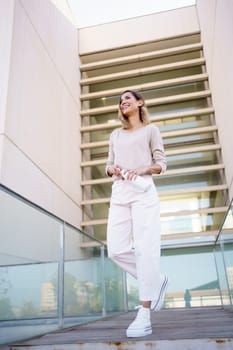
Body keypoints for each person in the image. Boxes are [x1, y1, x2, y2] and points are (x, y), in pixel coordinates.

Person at [105, 90, 169, 338]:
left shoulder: (151, 130)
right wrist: (113, 169)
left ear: (140, 102)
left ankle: (145, 313)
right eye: (120, 101)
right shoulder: (115, 135)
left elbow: (161, 163)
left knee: (145, 249)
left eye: (128, 98)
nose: (123, 102)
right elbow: (108, 165)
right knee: (116, 250)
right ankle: (157, 280)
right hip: (120, 190)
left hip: (143, 189)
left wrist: (143, 168)